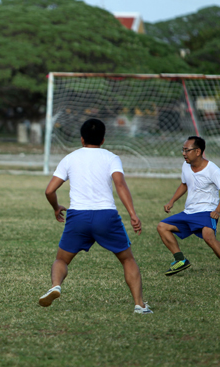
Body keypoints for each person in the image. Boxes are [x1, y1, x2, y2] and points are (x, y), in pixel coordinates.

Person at [39, 118, 152, 314]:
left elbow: (49, 190)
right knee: (127, 259)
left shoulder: (70, 158)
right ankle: (139, 305)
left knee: (62, 260)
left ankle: (56, 285)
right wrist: (133, 214)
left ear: (82, 139)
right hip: (106, 216)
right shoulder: (111, 158)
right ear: (103, 140)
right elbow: (120, 185)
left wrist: (56, 207)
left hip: (78, 217)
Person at [157, 136, 220, 276]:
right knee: (162, 227)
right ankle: (180, 260)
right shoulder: (186, 165)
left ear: (198, 151)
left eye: (187, 150)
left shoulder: (213, 170)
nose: (183, 153)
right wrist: (171, 201)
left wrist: (217, 210)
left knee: (208, 237)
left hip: (207, 211)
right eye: (183, 150)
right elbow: (184, 184)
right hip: (189, 212)